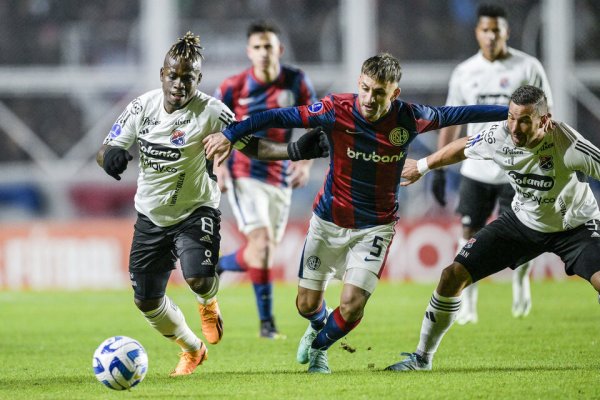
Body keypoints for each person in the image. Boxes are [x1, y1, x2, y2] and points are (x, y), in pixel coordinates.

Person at [203, 52, 508, 374]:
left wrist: (512, 111)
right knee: (305, 306)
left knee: (351, 305)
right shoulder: (336, 109)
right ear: (358, 84)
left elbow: (462, 113)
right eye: (365, 88)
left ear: (394, 93)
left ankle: (320, 349)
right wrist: (230, 134)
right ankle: (318, 324)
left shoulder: (411, 117)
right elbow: (279, 116)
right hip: (328, 219)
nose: (369, 98)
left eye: (379, 92)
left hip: (375, 227)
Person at [96, 32, 328, 377]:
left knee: (199, 277)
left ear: (198, 79)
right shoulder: (140, 107)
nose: (178, 83)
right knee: (146, 301)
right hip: (151, 216)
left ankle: (208, 304)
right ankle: (192, 349)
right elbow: (105, 148)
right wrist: (110, 156)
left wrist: (294, 151)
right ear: (162, 74)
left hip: (196, 210)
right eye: (173, 75)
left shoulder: (212, 112)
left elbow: (254, 147)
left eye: (187, 77)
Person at [386, 85, 600, 372]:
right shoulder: (499, 135)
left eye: (524, 120)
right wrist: (423, 166)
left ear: (544, 120)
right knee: (452, 276)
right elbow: (463, 147)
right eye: (511, 117)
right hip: (522, 222)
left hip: (575, 227)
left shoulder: (568, 145)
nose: (515, 127)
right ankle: (422, 358)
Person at [431, 4, 554, 324]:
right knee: (469, 231)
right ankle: (467, 302)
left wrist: (546, 161)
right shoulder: (464, 72)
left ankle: (521, 279)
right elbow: (451, 121)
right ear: (477, 32)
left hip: (519, 169)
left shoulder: (528, 67)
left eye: (496, 30)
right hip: (477, 167)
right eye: (485, 30)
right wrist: (439, 168)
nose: (490, 36)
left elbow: (547, 116)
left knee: (524, 232)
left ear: (506, 32)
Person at [213, 21, 318, 339]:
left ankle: (220, 265)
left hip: (281, 176)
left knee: (265, 253)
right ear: (249, 52)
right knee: (260, 245)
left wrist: (306, 164)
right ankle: (267, 325)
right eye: (257, 47)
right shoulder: (233, 87)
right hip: (246, 172)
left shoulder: (296, 81)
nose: (263, 52)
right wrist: (220, 167)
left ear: (279, 50)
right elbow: (214, 128)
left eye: (268, 47)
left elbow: (317, 120)